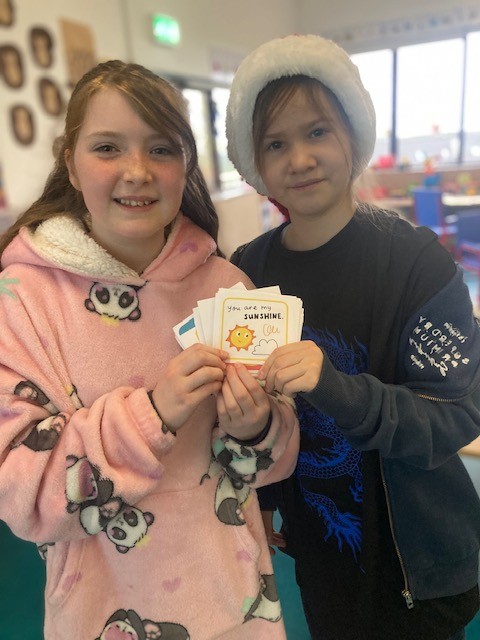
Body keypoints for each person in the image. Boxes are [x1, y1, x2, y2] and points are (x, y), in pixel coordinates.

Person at [0, 59, 299, 640]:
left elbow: (269, 465)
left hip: (234, 603)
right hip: (103, 615)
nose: (137, 171)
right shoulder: (23, 301)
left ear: (185, 164)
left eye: (161, 149)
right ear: (70, 162)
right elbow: (22, 495)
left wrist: (255, 428)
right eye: (107, 148)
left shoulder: (227, 288)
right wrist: (152, 414)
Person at [227, 34, 480, 640]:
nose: (300, 159)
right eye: (276, 143)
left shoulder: (416, 264)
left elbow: (457, 414)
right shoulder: (248, 271)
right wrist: (262, 500)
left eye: (317, 132)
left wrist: (338, 388)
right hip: (320, 553)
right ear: (256, 162)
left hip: (419, 563)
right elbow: (247, 404)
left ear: (353, 134)